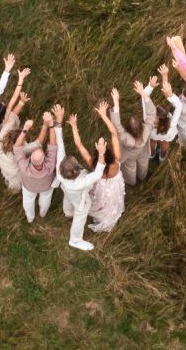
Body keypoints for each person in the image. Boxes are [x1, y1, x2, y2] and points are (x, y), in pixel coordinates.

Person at [54, 118, 106, 252]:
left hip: (66, 188)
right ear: (76, 170)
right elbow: (98, 172)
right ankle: (75, 240)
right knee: (80, 216)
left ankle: (67, 212)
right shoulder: (81, 182)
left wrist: (58, 122)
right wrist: (101, 152)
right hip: (80, 199)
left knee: (67, 198)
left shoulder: (60, 169)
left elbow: (60, 146)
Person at [84, 103, 125, 235]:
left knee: (100, 199)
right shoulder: (116, 160)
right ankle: (110, 215)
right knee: (113, 200)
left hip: (101, 185)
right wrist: (104, 115)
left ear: (98, 151)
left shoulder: (94, 165)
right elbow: (114, 133)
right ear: (108, 150)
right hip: (115, 185)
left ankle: (101, 215)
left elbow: (80, 147)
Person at [14, 107, 60, 223]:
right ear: (44, 158)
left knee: (28, 202)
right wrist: (50, 124)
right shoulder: (50, 166)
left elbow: (17, 147)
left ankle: (30, 217)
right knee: (45, 200)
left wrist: (25, 129)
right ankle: (43, 213)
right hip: (46, 187)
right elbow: (53, 145)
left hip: (29, 188)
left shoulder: (24, 167)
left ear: (30, 159)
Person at [109, 81, 156, 187]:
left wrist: (116, 103)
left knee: (130, 169)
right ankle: (142, 177)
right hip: (143, 151)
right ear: (141, 125)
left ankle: (131, 182)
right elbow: (152, 113)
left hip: (129, 156)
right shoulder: (146, 129)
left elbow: (117, 126)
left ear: (128, 129)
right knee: (143, 164)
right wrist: (143, 93)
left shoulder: (126, 138)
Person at [0, 86, 31, 191]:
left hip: (4, 166)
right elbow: (36, 146)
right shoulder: (23, 150)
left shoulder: (3, 135)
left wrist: (21, 102)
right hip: (14, 171)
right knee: (16, 182)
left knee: (10, 178)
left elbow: (13, 115)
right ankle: (16, 190)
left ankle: (12, 188)